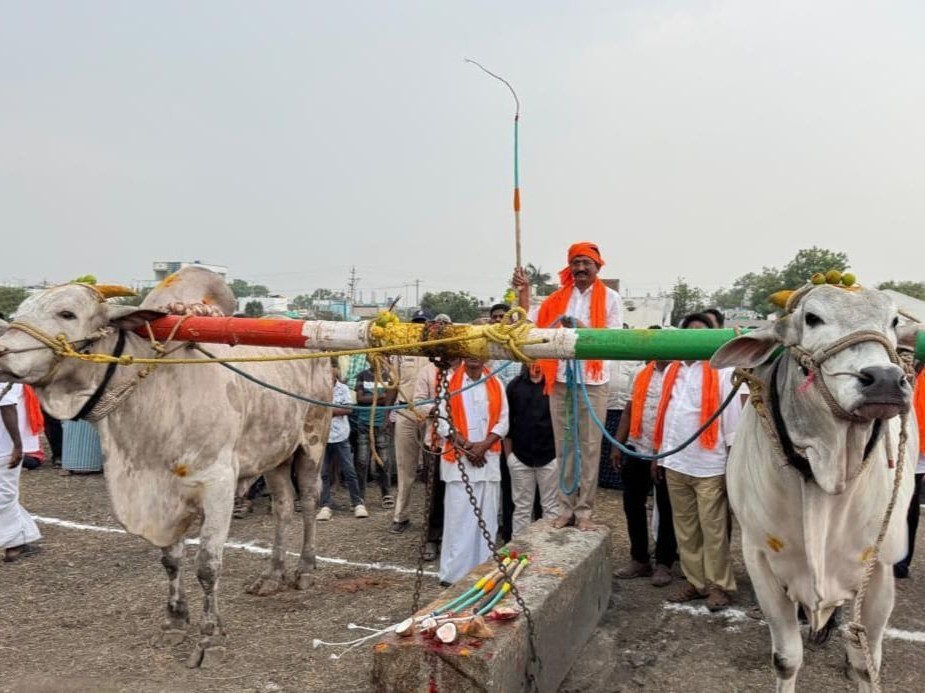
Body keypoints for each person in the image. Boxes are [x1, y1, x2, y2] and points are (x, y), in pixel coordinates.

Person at [512, 241, 623, 531]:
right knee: (564, 447)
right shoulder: (557, 298)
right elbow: (529, 324)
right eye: (576, 263)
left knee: (588, 447)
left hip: (593, 381)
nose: (581, 268)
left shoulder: (610, 298)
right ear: (569, 267)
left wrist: (580, 329)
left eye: (587, 263)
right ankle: (565, 508)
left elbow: (612, 340)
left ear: (598, 266)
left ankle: (584, 511)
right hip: (561, 379)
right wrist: (523, 292)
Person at [656, 313, 743, 611]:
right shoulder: (673, 370)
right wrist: (660, 454)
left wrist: (733, 464)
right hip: (676, 461)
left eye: (700, 334)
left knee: (714, 529)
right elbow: (666, 416)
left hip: (710, 464)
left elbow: (732, 422)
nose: (693, 338)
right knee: (686, 528)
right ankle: (696, 582)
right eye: (689, 333)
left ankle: (720, 586)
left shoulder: (722, 370)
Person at [437, 353, 509, 585]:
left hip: (488, 459)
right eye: (469, 353)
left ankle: (483, 571)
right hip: (459, 462)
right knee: (458, 519)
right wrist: (468, 446)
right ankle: (453, 574)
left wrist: (483, 446)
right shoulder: (449, 382)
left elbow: (504, 421)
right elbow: (442, 421)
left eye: (479, 352)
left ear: (486, 355)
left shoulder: (496, 382)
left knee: (486, 519)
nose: (474, 358)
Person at [610, 358, 678, 587]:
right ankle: (639, 559)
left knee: (667, 507)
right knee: (632, 504)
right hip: (637, 445)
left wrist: (660, 454)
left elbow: (675, 419)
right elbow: (628, 410)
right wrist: (618, 445)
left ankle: (664, 563)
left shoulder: (680, 374)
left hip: (667, 451)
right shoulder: (640, 372)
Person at [389, 310, 442, 535]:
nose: (419, 327)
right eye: (416, 323)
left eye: (423, 324)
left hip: (434, 415)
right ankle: (401, 516)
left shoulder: (439, 349)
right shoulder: (401, 351)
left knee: (435, 469)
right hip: (407, 412)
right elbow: (393, 383)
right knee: (405, 467)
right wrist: (386, 414)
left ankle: (433, 520)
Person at [409, 356, 461, 558]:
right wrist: (441, 410)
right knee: (435, 494)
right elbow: (419, 403)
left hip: (467, 443)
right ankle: (432, 538)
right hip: (438, 443)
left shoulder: (471, 371)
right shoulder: (428, 371)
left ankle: (457, 539)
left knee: (460, 494)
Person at [504, 363, 559, 536]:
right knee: (521, 509)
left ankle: (548, 549)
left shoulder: (555, 386)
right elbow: (507, 422)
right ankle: (519, 551)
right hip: (520, 456)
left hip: (550, 456)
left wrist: (559, 457)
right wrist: (509, 457)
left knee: (551, 508)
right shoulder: (514, 386)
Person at [317, 363, 368, 520]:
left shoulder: (343, 389)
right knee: (324, 473)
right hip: (322, 436)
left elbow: (348, 409)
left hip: (340, 435)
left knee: (349, 470)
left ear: (336, 371)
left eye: (332, 369)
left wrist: (327, 411)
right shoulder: (318, 388)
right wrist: (330, 411)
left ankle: (357, 503)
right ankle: (325, 505)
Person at [0, 382, 42, 562]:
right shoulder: (5, 373)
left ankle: (21, 539)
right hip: (4, 446)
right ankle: (14, 546)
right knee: (6, 495)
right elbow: (6, 405)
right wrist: (17, 445)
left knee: (8, 494)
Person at [354, 355, 397, 509]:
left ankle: (386, 494)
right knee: (362, 460)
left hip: (381, 423)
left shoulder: (389, 376)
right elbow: (359, 399)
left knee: (384, 460)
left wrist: (372, 398)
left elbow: (390, 397)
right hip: (364, 423)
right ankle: (360, 496)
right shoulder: (362, 375)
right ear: (368, 359)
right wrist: (381, 397)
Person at [895, 364, 925, 578]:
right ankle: (901, 560)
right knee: (909, 500)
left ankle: (902, 560)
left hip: (918, 444)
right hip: (918, 443)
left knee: (908, 499)